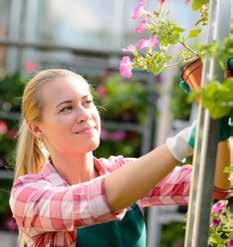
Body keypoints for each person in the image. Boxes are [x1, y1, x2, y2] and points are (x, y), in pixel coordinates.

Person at [9, 69, 232, 247]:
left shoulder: (119, 170)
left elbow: (215, 184)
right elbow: (97, 200)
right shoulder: (28, 196)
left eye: (87, 102)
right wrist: (186, 141)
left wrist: (217, 114)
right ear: (37, 129)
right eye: (67, 108)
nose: (85, 115)